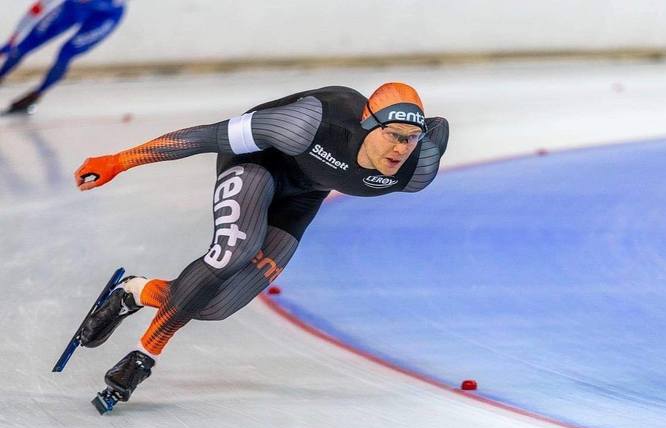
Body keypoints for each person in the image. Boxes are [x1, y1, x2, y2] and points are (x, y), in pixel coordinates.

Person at [73, 82, 450, 405]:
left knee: (215, 307)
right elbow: (208, 136)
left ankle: (133, 293)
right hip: (257, 164)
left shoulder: (418, 168)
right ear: (368, 126)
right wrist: (119, 160)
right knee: (233, 254)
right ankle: (144, 356)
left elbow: (438, 129)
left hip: (303, 198)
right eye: (393, 136)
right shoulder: (307, 124)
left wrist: (422, 136)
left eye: (410, 138)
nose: (401, 149)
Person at [0, 0, 126, 114]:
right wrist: (12, 39)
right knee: (24, 45)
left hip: (105, 16)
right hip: (72, 8)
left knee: (66, 53)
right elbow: (37, 9)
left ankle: (36, 95)